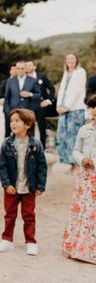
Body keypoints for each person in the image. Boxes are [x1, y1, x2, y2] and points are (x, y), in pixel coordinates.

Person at [0, 109, 47, 256]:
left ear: (28, 124)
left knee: (29, 215)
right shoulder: (7, 143)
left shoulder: (36, 144)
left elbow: (42, 166)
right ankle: (7, 240)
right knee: (9, 214)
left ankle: (31, 242)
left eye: (17, 121)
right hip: (12, 187)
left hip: (29, 187)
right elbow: (2, 166)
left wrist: (40, 186)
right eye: (11, 121)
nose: (13, 124)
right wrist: (6, 184)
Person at [62, 94, 96, 264]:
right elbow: (76, 150)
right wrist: (82, 159)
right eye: (92, 106)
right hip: (86, 178)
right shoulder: (84, 130)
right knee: (84, 211)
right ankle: (80, 248)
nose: (95, 110)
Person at [56, 53, 87, 169]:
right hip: (63, 109)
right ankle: (64, 159)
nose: (70, 60)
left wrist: (67, 106)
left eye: (72, 58)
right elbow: (62, 91)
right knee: (62, 135)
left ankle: (73, 161)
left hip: (75, 109)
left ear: (76, 60)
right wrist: (59, 106)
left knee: (73, 135)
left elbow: (77, 91)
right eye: (67, 58)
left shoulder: (80, 72)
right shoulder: (66, 73)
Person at [2, 60, 41, 135]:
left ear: (26, 69)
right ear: (16, 69)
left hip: (27, 113)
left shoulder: (33, 81)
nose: (20, 70)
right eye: (18, 68)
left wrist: (30, 94)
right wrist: (8, 111)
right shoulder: (10, 81)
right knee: (9, 134)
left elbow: (38, 95)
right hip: (12, 112)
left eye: (22, 68)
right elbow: (7, 98)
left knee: (28, 135)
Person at [25, 60, 55, 148]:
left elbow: (52, 88)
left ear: (34, 67)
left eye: (30, 65)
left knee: (42, 127)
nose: (28, 67)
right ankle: (31, 147)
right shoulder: (24, 78)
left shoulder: (41, 76)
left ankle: (42, 149)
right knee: (30, 127)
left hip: (41, 105)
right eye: (27, 66)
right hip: (28, 106)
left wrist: (48, 101)